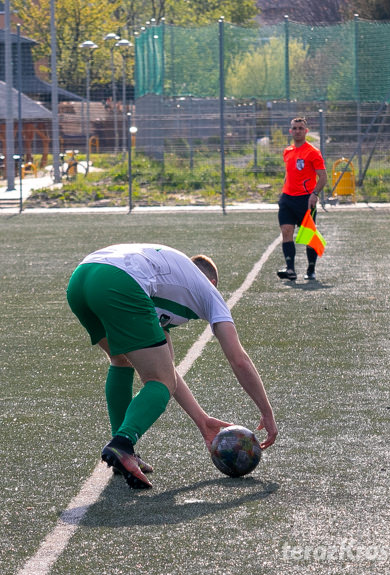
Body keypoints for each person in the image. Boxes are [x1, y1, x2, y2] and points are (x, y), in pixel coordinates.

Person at [66, 244, 278, 489]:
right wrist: (267, 412)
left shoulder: (166, 280)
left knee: (121, 360)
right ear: (211, 281)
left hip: (81, 278)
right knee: (160, 381)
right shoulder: (208, 292)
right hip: (119, 281)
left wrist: (202, 420)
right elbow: (238, 359)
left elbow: (166, 366)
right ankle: (122, 443)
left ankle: (122, 455)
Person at [278, 117, 327, 281]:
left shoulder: (313, 152)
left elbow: (323, 177)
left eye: (300, 128)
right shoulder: (288, 151)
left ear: (306, 131)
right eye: (294, 128)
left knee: (308, 235)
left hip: (305, 199)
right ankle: (290, 269)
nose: (297, 131)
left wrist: (314, 194)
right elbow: (288, 174)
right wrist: (283, 191)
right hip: (287, 199)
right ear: (290, 131)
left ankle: (311, 269)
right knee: (286, 231)